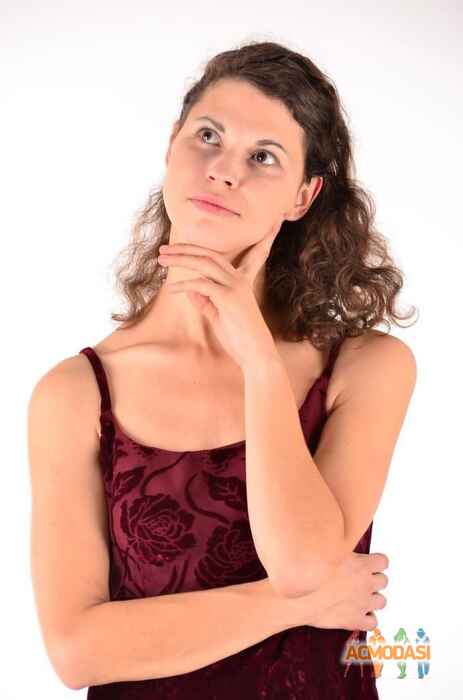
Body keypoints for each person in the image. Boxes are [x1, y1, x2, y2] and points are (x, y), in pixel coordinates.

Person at [27, 40, 418, 699]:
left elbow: (304, 563)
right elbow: (77, 652)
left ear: (303, 196)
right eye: (207, 136)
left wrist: (257, 359)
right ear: (170, 147)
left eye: (263, 156)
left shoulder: (364, 367)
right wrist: (292, 606)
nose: (222, 171)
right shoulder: (75, 393)